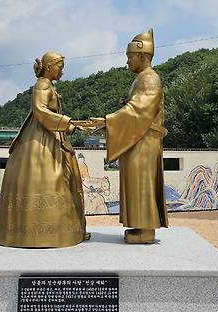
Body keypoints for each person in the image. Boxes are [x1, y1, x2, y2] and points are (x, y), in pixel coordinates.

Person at [0, 52, 89, 248]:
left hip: (50, 134)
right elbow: (40, 110)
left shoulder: (48, 86)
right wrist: (66, 123)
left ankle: (60, 231)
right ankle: (44, 233)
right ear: (48, 67)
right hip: (41, 139)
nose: (62, 71)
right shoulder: (42, 85)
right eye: (59, 67)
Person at [87, 29, 168, 244]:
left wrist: (107, 121)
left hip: (144, 139)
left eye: (129, 57)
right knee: (137, 183)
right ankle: (140, 227)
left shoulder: (150, 79)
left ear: (142, 56)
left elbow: (138, 110)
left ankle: (146, 231)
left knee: (142, 183)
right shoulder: (142, 79)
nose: (127, 62)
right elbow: (134, 110)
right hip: (138, 137)